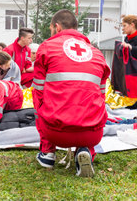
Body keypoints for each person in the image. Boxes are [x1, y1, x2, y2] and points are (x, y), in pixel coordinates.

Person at [32, 9, 110, 177]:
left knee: (39, 102)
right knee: (93, 101)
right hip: (92, 133)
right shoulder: (97, 53)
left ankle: (47, 153)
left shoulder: (47, 47)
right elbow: (101, 96)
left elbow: (38, 91)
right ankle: (85, 149)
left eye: (51, 29)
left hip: (55, 132)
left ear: (57, 27)